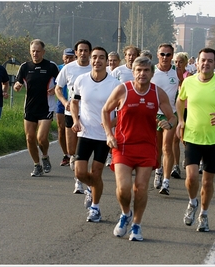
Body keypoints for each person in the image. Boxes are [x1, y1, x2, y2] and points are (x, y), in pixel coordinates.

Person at [102, 56, 176, 241]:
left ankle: (136, 225)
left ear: (152, 73)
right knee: (123, 188)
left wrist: (169, 123)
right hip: (123, 146)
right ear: (133, 72)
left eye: (146, 70)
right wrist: (109, 135)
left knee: (141, 188)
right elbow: (105, 110)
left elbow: (172, 116)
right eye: (139, 70)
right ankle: (125, 214)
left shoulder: (158, 93)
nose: (142, 74)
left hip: (147, 147)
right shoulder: (122, 89)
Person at [176, 48, 215, 232]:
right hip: (192, 136)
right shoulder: (188, 82)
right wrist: (180, 120)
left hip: (212, 139)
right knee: (192, 176)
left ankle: (204, 214)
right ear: (197, 63)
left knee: (207, 182)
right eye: (203, 60)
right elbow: (180, 101)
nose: (206, 63)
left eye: (210, 61)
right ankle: (192, 202)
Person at [71, 47, 120, 222]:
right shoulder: (81, 80)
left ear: (107, 61)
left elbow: (121, 112)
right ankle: (92, 188)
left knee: (97, 172)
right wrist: (76, 120)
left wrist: (110, 124)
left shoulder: (115, 84)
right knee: (79, 173)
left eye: (101, 58)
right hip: (85, 133)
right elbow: (74, 102)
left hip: (104, 136)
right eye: (94, 57)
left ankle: (95, 208)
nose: (97, 61)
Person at [14, 39, 59, 176]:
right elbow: (18, 82)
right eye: (33, 51)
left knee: (41, 138)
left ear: (43, 52)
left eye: (38, 51)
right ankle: (37, 165)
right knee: (29, 138)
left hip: (46, 107)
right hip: (30, 107)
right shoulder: (25, 67)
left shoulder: (51, 66)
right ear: (30, 51)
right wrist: (17, 86)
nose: (35, 54)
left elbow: (61, 83)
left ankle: (45, 156)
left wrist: (55, 88)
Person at [55, 39, 92, 193]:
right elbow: (58, 88)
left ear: (89, 53)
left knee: (84, 149)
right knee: (72, 150)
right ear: (76, 53)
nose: (83, 53)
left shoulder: (95, 68)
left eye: (85, 50)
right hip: (71, 112)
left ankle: (80, 181)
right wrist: (64, 102)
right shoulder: (68, 68)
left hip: (90, 113)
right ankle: (74, 163)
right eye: (80, 51)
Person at [151, 43, 179, 195]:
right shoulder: (152, 71)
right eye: (162, 54)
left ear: (172, 56)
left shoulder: (177, 72)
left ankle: (166, 182)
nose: (165, 57)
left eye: (168, 55)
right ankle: (159, 171)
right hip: (154, 114)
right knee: (156, 148)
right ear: (158, 55)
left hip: (171, 114)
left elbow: (183, 93)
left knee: (167, 147)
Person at [170, 51, 191, 178]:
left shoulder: (189, 76)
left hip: (188, 109)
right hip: (175, 109)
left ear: (186, 63)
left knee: (185, 139)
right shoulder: (171, 74)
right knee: (175, 139)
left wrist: (180, 80)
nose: (177, 64)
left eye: (180, 62)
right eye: (176, 62)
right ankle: (176, 165)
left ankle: (190, 159)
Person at [56, 48, 76, 166]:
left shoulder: (76, 68)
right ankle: (66, 154)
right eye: (66, 57)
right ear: (63, 57)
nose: (68, 60)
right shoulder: (58, 68)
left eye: (70, 57)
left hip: (74, 104)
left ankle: (74, 154)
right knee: (61, 129)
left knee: (74, 129)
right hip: (61, 102)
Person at [104, 51, 122, 167]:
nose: (112, 63)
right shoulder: (104, 71)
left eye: (114, 60)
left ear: (119, 61)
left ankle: (114, 154)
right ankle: (109, 154)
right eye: (110, 60)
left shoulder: (120, 72)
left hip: (119, 104)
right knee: (108, 129)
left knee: (116, 130)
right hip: (108, 104)